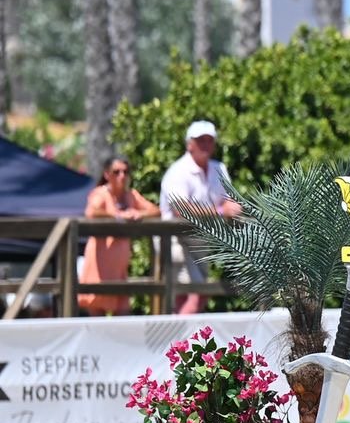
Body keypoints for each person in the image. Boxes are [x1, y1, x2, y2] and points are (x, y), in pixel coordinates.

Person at [160, 119, 242, 315]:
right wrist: (221, 211)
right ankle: (180, 342)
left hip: (200, 239)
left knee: (199, 292)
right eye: (200, 140)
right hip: (174, 238)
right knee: (191, 293)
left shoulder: (218, 168)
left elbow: (229, 201)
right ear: (190, 144)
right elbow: (181, 210)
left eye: (209, 140)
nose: (205, 145)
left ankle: (181, 341)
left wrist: (230, 208)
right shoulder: (178, 171)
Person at [77, 156, 157, 316]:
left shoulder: (131, 196)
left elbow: (155, 211)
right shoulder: (100, 193)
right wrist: (118, 216)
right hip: (99, 266)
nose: (122, 176)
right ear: (107, 174)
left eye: (126, 172)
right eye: (117, 172)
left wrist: (138, 213)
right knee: (97, 321)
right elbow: (92, 211)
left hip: (119, 268)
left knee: (123, 318)